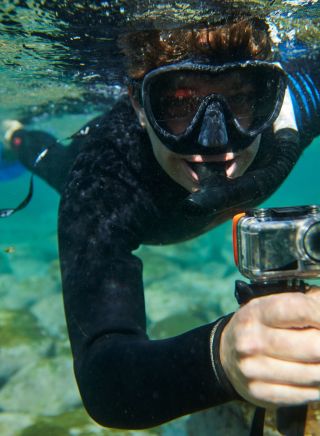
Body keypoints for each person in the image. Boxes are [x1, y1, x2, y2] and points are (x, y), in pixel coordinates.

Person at [4, 18, 320, 430]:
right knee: (55, 166)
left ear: (271, 99)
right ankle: (14, 135)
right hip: (122, 190)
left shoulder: (302, 102)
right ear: (138, 105)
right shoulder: (104, 182)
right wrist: (222, 356)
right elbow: (106, 380)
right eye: (178, 104)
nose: (215, 144)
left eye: (242, 100)